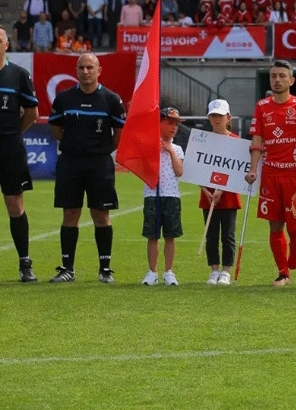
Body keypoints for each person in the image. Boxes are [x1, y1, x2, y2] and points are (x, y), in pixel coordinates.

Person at [48, 53, 126, 283]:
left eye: (90, 67)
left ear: (99, 70)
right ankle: (67, 269)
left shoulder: (111, 99)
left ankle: (104, 269)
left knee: (101, 215)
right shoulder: (64, 98)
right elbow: (55, 129)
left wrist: (99, 150)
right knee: (70, 213)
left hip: (99, 163)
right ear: (76, 70)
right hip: (70, 162)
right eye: (81, 67)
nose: (85, 71)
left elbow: (118, 134)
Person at [246, 61, 296, 286]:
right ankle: (283, 272)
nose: (277, 80)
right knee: (275, 224)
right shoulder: (262, 106)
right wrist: (252, 169)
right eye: (273, 76)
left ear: (291, 80)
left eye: (282, 76)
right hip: (270, 174)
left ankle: (293, 258)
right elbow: (257, 141)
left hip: (295, 175)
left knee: (295, 227)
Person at [0, 27, 39, 281]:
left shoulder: (18, 75)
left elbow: (32, 114)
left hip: (9, 146)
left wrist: (13, 132)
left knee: (15, 204)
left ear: (6, 44)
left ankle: (25, 264)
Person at [197, 100, 241, 285]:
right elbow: (197, 167)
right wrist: (205, 189)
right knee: (211, 234)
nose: (217, 119)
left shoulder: (236, 141)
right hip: (208, 196)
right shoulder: (203, 140)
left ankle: (226, 270)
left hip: (228, 197)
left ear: (228, 118)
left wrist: (222, 189)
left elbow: (236, 169)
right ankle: (214, 270)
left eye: (220, 116)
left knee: (228, 235)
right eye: (213, 115)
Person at [140, 108, 185, 286]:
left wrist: (170, 151)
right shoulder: (149, 145)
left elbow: (179, 171)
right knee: (152, 235)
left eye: (176, 124)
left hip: (171, 195)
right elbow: (144, 169)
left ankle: (169, 271)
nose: (173, 128)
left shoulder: (177, 148)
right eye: (169, 123)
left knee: (170, 235)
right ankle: (152, 271)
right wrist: (153, 151)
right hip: (152, 194)